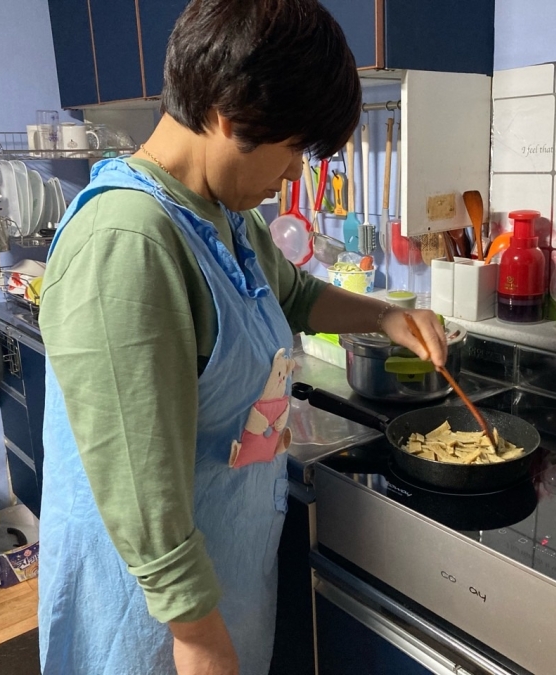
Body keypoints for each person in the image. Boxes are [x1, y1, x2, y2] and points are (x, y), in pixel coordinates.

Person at [36, 1, 447, 673]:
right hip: (154, 613)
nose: (295, 175)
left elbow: (293, 293)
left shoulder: (223, 215)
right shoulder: (125, 240)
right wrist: (198, 635)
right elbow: (135, 478)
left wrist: (385, 317)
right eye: (294, 150)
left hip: (222, 574)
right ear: (232, 114)